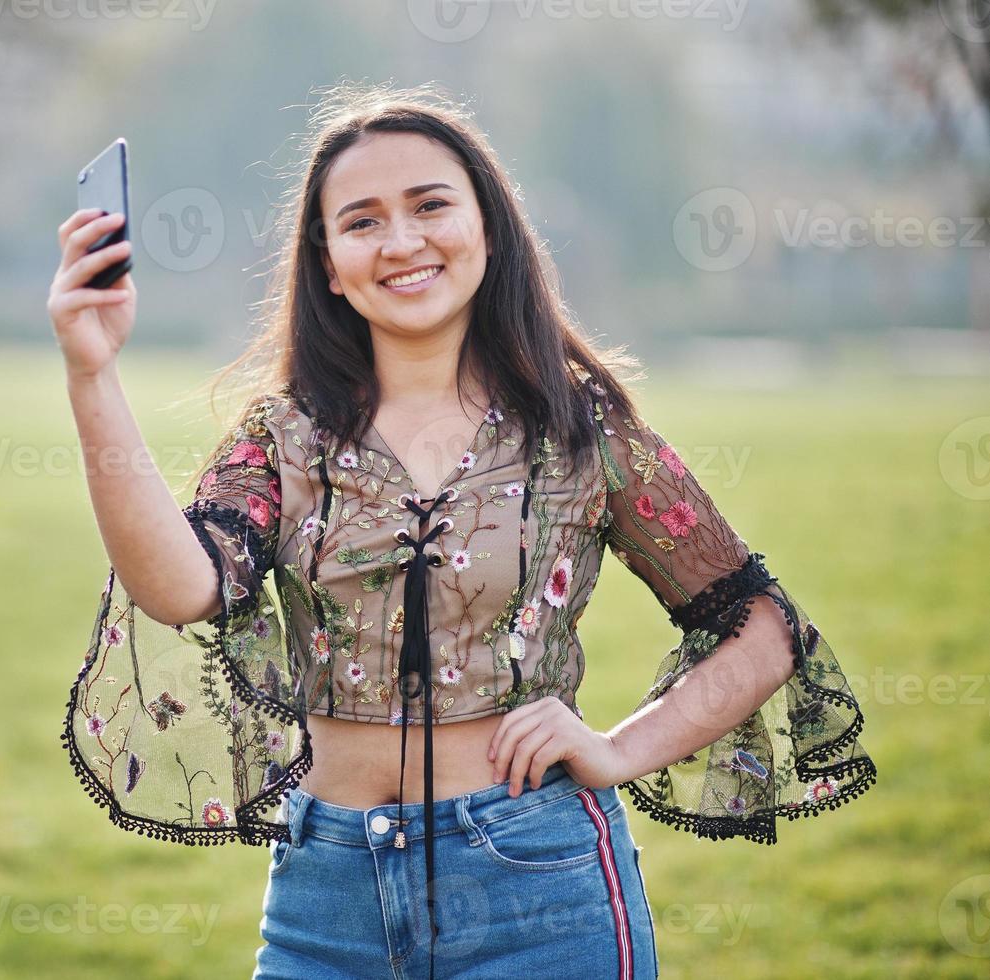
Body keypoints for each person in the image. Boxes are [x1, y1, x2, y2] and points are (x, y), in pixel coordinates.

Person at [48, 82, 877, 980]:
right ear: (327, 264)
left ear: (488, 227)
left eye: (430, 206)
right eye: (361, 222)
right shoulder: (285, 434)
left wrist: (616, 749)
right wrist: (91, 374)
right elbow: (179, 586)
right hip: (324, 894)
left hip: (537, 887)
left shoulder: (575, 425)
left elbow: (759, 627)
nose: (401, 242)